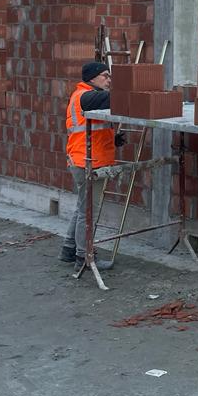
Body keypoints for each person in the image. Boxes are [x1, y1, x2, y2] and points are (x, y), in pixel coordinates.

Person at [59, 61, 124, 269]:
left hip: (84, 159)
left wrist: (113, 139)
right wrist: (133, 88)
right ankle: (84, 257)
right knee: (88, 212)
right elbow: (110, 99)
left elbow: (92, 130)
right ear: (92, 78)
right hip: (87, 163)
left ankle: (69, 249)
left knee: (82, 208)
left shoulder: (86, 96)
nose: (109, 80)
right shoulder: (86, 96)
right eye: (105, 75)